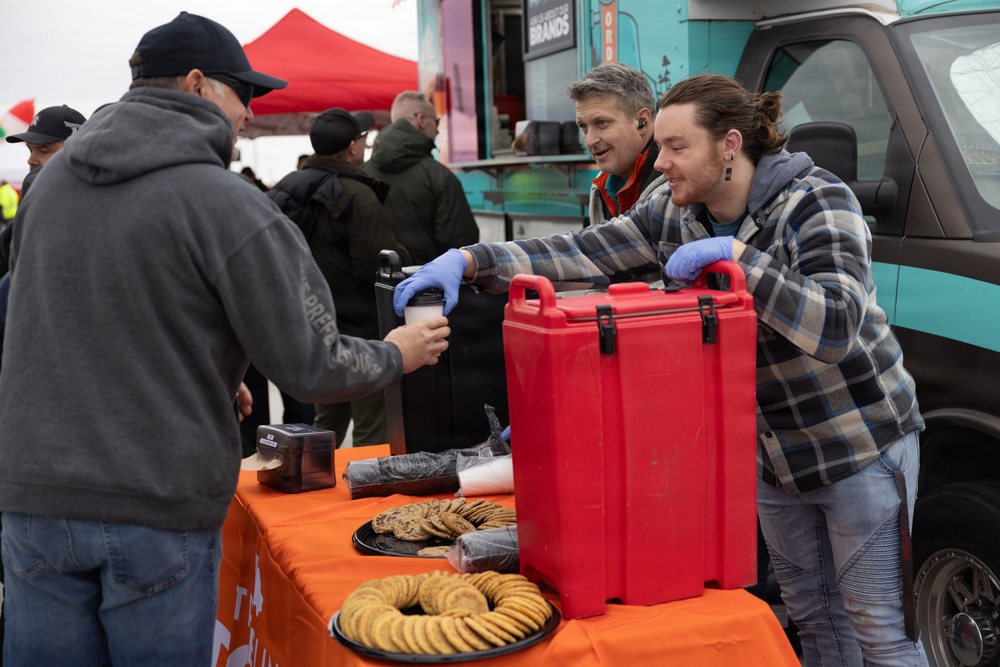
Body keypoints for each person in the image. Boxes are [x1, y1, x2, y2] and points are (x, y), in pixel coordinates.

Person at [394, 73, 927, 666]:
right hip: (774, 455)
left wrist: (741, 261)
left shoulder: (815, 200)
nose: (662, 162)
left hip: (859, 445)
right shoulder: (673, 209)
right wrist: (471, 260)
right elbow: (586, 252)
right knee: (816, 623)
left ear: (729, 144)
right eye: (661, 147)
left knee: (881, 634)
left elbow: (836, 325)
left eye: (678, 147)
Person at [0, 12, 449, 667]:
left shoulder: (50, 185)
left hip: (33, 499)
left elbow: (53, 318)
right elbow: (312, 365)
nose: (249, 114)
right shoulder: (222, 200)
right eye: (245, 94)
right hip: (155, 504)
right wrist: (399, 353)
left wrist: (208, 369)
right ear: (197, 84)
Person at [269, 107, 401, 447]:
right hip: (363, 330)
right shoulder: (359, 195)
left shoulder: (286, 187)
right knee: (372, 427)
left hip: (314, 323)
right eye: (363, 138)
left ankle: (310, 484)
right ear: (352, 147)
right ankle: (366, 497)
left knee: (325, 419)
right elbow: (377, 265)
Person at [363, 91, 478, 264]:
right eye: (436, 121)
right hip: (429, 286)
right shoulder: (440, 177)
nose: (438, 129)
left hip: (376, 284)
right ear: (421, 120)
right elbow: (461, 248)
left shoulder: (363, 174)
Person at [568, 62, 668, 224]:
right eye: (584, 127)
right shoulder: (601, 188)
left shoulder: (675, 183)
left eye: (601, 123)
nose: (590, 140)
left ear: (641, 121)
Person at [4, 104, 87, 200]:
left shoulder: (96, 198)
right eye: (30, 150)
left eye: (43, 151)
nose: (30, 160)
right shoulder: (33, 189)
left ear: (77, 151)